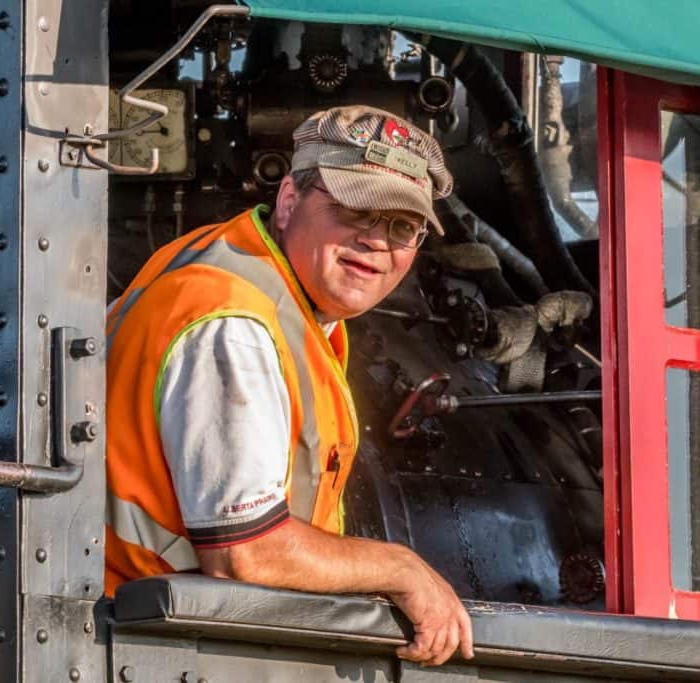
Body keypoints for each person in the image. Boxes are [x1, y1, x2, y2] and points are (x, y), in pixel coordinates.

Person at [105, 105, 473, 666]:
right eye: (356, 208)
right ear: (289, 202)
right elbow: (244, 553)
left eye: (403, 227)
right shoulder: (232, 322)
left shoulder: (261, 283)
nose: (377, 241)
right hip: (152, 647)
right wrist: (402, 570)